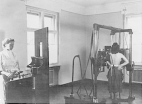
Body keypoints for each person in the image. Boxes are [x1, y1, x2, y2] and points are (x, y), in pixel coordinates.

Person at [0, 38, 20, 104]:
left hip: (14, 77)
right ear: (5, 45)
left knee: (13, 96)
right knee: (5, 97)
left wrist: (17, 71)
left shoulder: (14, 54)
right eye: (10, 44)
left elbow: (17, 65)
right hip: (5, 78)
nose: (12, 46)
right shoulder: (1, 54)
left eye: (13, 45)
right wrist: (7, 74)